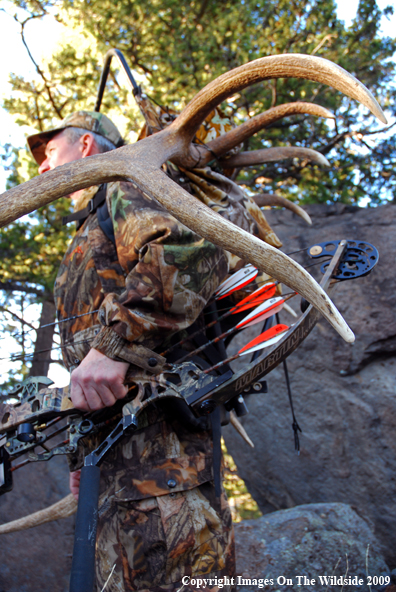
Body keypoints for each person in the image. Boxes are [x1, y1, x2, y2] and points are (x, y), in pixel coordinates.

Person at [28, 110, 241, 592]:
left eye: (49, 150)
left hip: (165, 475)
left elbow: (195, 252)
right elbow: (90, 370)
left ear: (85, 147)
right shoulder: (85, 232)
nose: (42, 166)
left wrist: (115, 345)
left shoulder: (124, 185)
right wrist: (82, 457)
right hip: (115, 475)